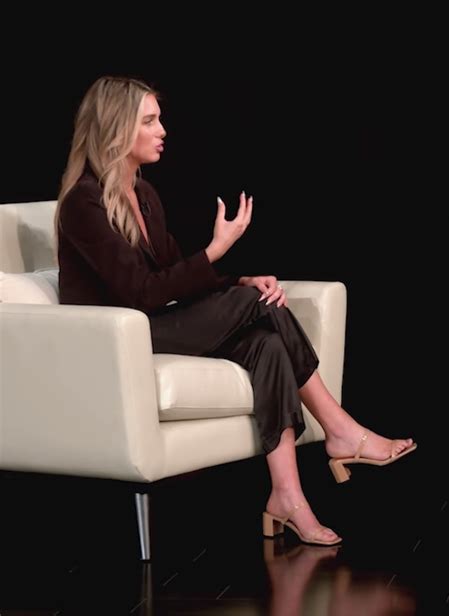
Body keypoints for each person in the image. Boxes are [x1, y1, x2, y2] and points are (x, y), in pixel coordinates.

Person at [56, 76, 416, 547]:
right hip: (117, 337)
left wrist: (237, 280)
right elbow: (141, 292)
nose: (163, 130)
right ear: (116, 129)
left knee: (266, 344)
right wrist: (215, 251)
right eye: (149, 121)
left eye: (159, 119)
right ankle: (341, 429)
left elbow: (172, 273)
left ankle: (287, 497)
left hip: (151, 321)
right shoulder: (82, 202)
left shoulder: (143, 195)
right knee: (256, 306)